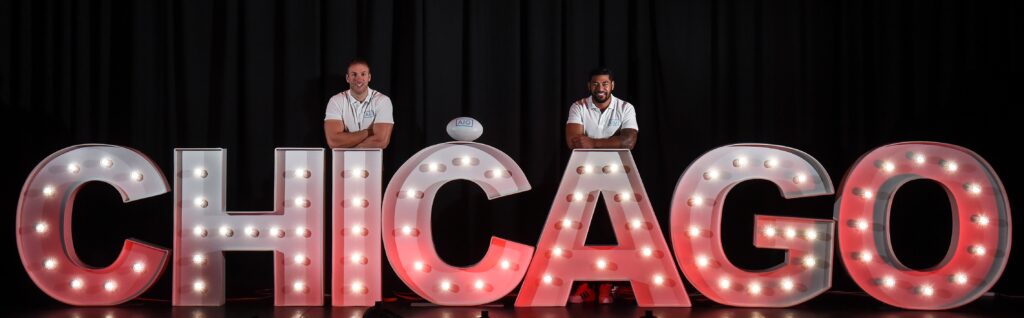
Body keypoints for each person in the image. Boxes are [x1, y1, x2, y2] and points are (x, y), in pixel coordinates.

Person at [324, 58, 394, 148]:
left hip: (373, 161)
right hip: (344, 160)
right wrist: (369, 132)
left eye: (363, 74)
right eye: (354, 74)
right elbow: (334, 142)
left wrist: (349, 146)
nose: (359, 79)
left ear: (369, 77)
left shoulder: (382, 101)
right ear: (347, 78)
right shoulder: (336, 101)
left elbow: (381, 141)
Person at [565, 67, 638, 150]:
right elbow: (573, 143)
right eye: (595, 84)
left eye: (605, 84)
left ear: (612, 85)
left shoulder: (626, 107)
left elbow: (629, 142)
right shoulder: (578, 106)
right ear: (589, 86)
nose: (600, 89)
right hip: (585, 160)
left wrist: (593, 143)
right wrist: (615, 142)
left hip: (616, 161)